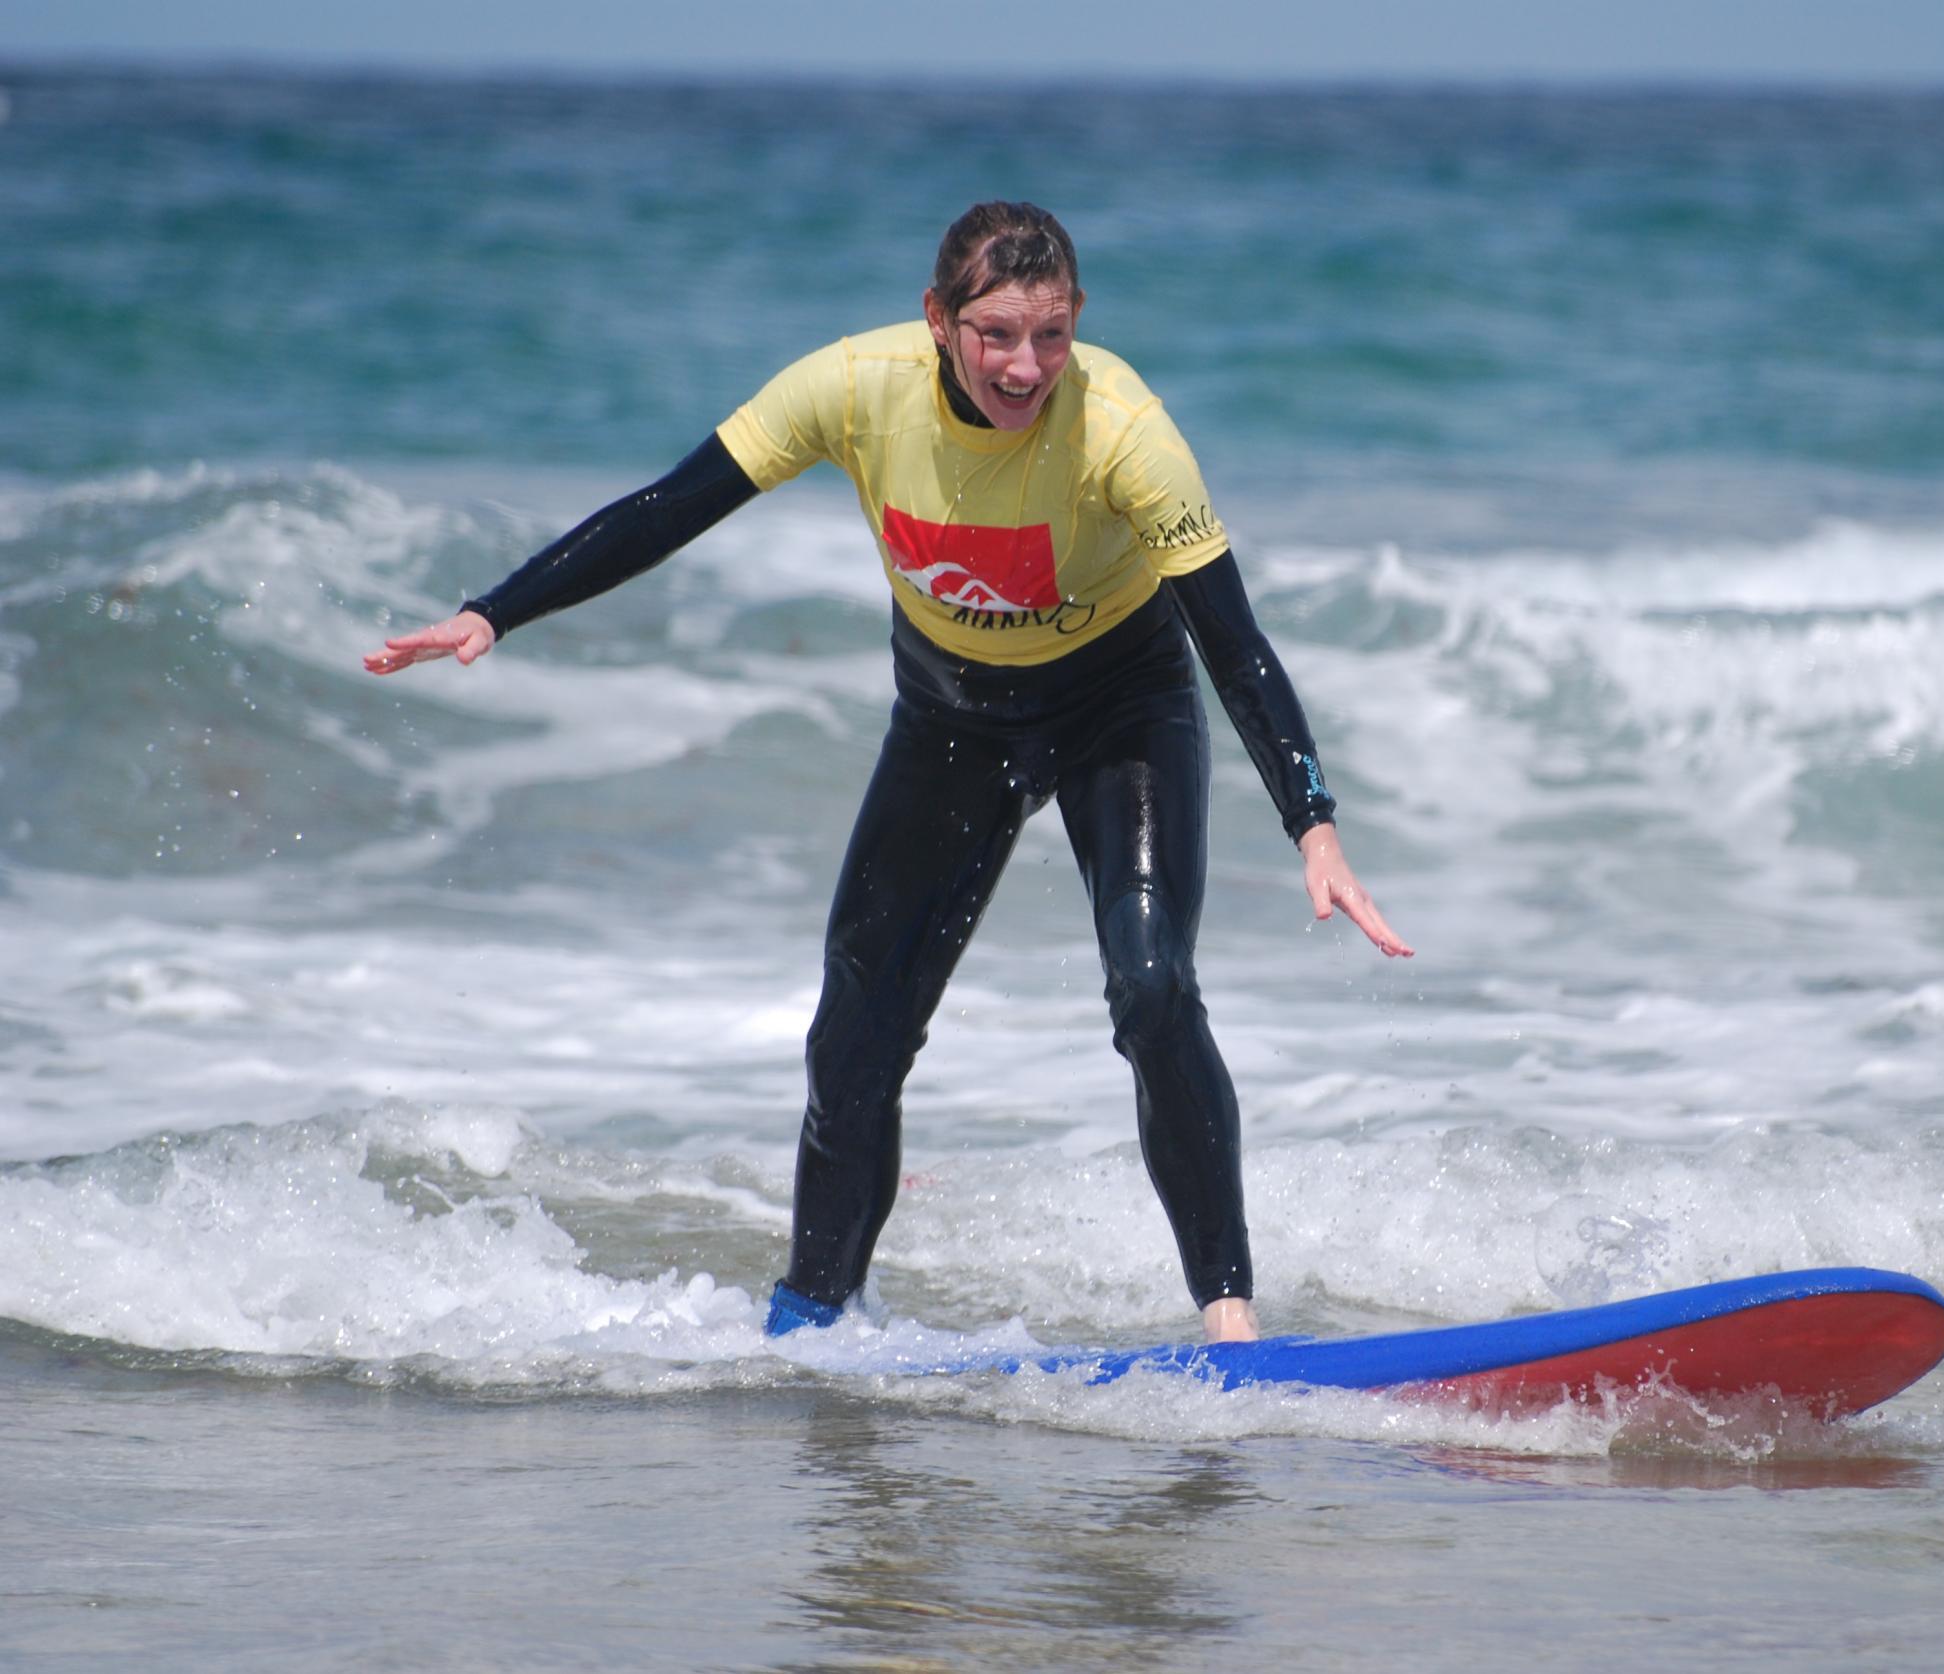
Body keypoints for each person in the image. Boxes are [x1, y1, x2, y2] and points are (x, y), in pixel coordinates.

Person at [364, 201, 1410, 1344]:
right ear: (937, 321)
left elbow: (1233, 643)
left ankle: (1230, 1326)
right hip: (950, 717)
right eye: (998, 334)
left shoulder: (1122, 430)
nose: (1026, 366)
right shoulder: (853, 388)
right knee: (854, 1035)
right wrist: (494, 612)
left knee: (1154, 985)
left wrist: (1312, 822)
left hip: (1120, 709)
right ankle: (811, 1322)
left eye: (1051, 336)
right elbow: (670, 507)